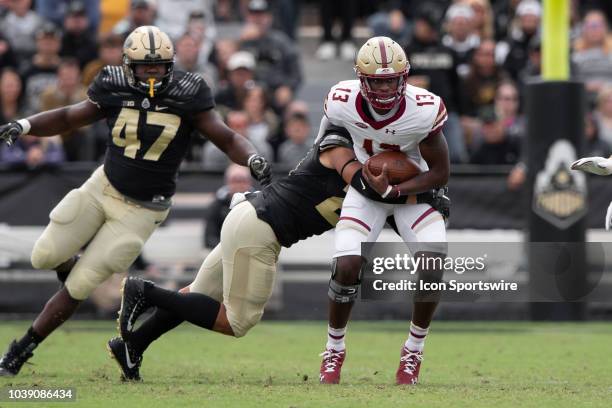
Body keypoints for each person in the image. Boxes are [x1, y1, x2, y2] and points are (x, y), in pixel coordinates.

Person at [0, 25, 271, 377]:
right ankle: (75, 266)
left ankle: (20, 350)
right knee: (44, 255)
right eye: (145, 67)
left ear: (170, 65)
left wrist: (250, 157)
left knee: (82, 285)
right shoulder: (112, 83)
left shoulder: (189, 93)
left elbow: (225, 135)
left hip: (143, 209)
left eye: (159, 66)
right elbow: (70, 116)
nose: (153, 73)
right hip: (103, 186)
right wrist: (25, 125)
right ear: (129, 65)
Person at [106, 118, 376, 381]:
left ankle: (133, 346)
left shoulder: (358, 154)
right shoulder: (340, 146)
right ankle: (145, 292)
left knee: (197, 296)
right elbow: (371, 186)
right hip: (260, 228)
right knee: (237, 322)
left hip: (249, 218)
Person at [318, 36, 450, 386]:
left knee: (433, 262)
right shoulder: (340, 99)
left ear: (404, 78)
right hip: (366, 190)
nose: (385, 87)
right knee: (346, 264)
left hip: (412, 192)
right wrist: (347, 172)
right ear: (362, 79)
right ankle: (334, 347)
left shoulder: (424, 108)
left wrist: (396, 189)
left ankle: (413, 351)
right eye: (377, 80)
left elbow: (440, 172)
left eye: (391, 79)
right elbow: (327, 141)